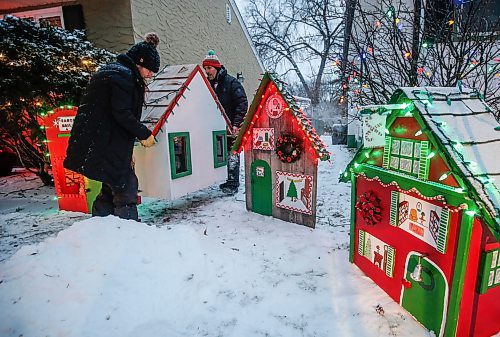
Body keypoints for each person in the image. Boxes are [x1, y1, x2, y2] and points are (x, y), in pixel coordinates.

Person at [64, 33, 160, 221]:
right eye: (150, 70)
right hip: (105, 141)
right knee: (126, 187)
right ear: (139, 63)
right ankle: (129, 232)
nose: (150, 75)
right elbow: (122, 112)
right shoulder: (123, 77)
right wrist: (143, 134)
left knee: (110, 184)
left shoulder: (115, 72)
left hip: (100, 140)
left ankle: (101, 227)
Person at [202, 50, 248, 195]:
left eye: (209, 68)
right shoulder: (208, 84)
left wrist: (236, 123)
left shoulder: (231, 82)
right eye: (205, 69)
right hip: (215, 126)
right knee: (219, 153)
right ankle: (223, 178)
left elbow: (242, 103)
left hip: (231, 125)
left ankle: (233, 183)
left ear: (216, 67)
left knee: (232, 153)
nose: (207, 71)